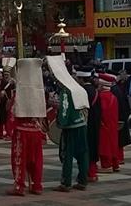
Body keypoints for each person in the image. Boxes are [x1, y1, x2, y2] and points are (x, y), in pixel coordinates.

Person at [46, 56, 91, 193]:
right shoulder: (79, 88)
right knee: (83, 153)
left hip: (70, 127)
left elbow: (64, 110)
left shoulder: (66, 91)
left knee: (67, 155)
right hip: (82, 125)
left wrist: (60, 122)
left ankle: (66, 182)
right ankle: (83, 180)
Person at [7, 59, 46, 197]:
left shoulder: (20, 92)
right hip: (35, 130)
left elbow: (12, 111)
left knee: (19, 159)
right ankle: (36, 185)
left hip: (21, 130)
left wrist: (10, 128)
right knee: (36, 159)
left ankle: (19, 186)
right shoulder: (39, 90)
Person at [76, 67, 100, 182]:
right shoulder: (95, 90)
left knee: (85, 149)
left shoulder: (82, 91)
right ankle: (93, 172)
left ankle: (88, 174)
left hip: (86, 124)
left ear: (81, 79)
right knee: (94, 146)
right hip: (95, 123)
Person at [96, 73, 120, 173]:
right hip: (113, 125)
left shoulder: (101, 97)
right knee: (113, 144)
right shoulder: (113, 97)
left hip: (103, 125)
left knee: (104, 146)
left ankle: (106, 165)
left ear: (102, 85)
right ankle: (115, 164)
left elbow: (101, 111)